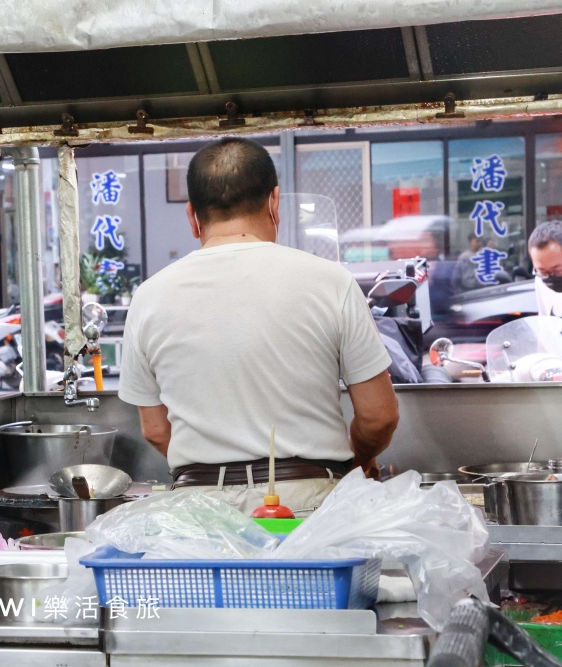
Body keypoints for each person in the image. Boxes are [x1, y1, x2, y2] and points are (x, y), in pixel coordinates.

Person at [119, 138, 400, 515]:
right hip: (310, 506)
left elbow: (154, 430)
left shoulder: (149, 296)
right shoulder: (331, 281)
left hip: (199, 511)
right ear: (275, 202)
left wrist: (216, 469)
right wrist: (359, 458)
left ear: (192, 216)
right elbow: (379, 416)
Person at [529, 221, 562, 317]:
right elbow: (544, 321)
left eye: (557, 270)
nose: (550, 277)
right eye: (543, 271)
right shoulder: (540, 280)